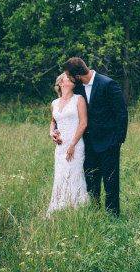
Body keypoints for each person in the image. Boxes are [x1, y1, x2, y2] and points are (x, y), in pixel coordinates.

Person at [51, 56, 128, 216]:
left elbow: (121, 113)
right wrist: (56, 130)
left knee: (110, 181)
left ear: (76, 75)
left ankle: (113, 216)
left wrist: (118, 140)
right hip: (87, 144)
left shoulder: (108, 84)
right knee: (91, 180)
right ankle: (94, 212)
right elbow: (67, 111)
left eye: (68, 75)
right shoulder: (78, 89)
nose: (68, 78)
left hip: (109, 143)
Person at [46, 72, 89, 214]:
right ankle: (60, 207)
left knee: (74, 173)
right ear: (61, 83)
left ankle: (77, 207)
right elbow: (53, 123)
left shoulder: (79, 99)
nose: (71, 80)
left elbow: (83, 123)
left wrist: (72, 145)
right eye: (67, 78)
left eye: (72, 79)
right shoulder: (54, 103)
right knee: (61, 174)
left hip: (75, 144)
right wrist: (52, 134)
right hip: (60, 146)